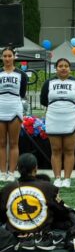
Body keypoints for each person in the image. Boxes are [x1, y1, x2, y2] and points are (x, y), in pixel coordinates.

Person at [0, 153, 75, 245]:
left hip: (14, 235)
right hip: (40, 234)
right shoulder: (48, 187)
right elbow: (64, 212)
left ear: (18, 169)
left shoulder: (7, 189)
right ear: (35, 168)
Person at [40, 58, 75, 188]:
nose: (63, 68)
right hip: (54, 117)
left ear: (70, 68)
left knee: (69, 149)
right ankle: (57, 177)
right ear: (56, 68)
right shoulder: (48, 83)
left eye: (66, 66)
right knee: (56, 149)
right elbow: (44, 100)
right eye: (60, 66)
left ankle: (67, 179)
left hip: (71, 117)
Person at [0, 47, 28, 182]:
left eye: (9, 56)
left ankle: (11, 172)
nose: (7, 58)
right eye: (4, 56)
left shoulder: (22, 74)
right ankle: (2, 172)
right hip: (0, 106)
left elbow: (22, 93)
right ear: (1, 58)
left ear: (14, 57)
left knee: (13, 142)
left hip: (14, 107)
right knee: (1, 142)